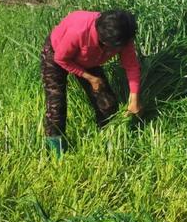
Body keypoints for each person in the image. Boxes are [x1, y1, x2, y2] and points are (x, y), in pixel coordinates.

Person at [41, 10, 142, 156]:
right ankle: (56, 154)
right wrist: (90, 78)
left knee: (107, 103)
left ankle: (106, 144)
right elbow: (61, 59)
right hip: (56, 54)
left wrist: (134, 99)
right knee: (56, 107)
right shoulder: (79, 32)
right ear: (107, 43)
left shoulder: (122, 32)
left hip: (89, 59)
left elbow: (131, 66)